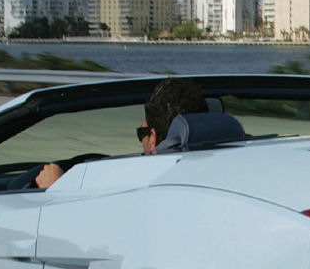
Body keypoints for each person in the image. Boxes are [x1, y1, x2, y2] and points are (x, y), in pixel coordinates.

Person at [35, 77, 206, 189]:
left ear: (153, 138)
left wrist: (56, 188)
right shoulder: (210, 172)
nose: (141, 140)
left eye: (141, 133)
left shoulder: (155, 189)